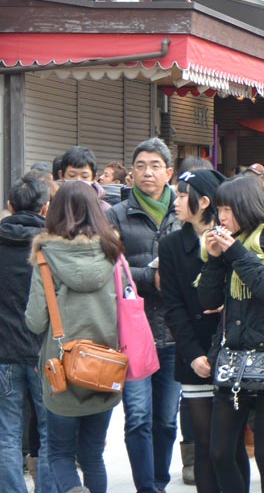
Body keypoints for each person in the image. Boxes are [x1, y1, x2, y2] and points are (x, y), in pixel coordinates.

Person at [196, 174, 264, 493]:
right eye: (219, 210)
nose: (222, 218)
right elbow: (209, 301)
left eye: (227, 209)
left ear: (247, 206)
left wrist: (237, 255)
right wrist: (215, 260)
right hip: (233, 353)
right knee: (221, 451)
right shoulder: (229, 242)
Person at [25, 181, 125, 493]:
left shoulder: (45, 258)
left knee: (59, 452)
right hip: (106, 367)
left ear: (53, 213)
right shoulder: (113, 255)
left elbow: (35, 320)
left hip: (61, 370)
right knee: (93, 455)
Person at [161, 169, 249, 493]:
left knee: (231, 445)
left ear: (204, 201)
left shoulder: (233, 238)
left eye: (182, 195)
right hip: (194, 353)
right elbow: (172, 307)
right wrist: (193, 354)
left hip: (234, 351)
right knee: (203, 442)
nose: (176, 200)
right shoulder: (171, 245)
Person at [106, 137, 182, 493]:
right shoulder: (115, 216)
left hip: (173, 331)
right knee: (137, 417)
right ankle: (146, 488)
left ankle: (160, 481)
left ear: (169, 173)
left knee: (166, 420)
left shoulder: (183, 214)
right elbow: (108, 269)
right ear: (131, 173)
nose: (147, 172)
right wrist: (148, 277)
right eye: (140, 166)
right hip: (132, 334)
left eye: (155, 166)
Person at [0, 175, 51, 493]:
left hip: (3, 353)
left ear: (9, 207)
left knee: (6, 431)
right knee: (49, 434)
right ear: (45, 209)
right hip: (43, 353)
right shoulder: (52, 247)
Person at [56, 146, 112, 212]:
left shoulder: (105, 210)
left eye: (84, 176)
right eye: (72, 175)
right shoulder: (51, 204)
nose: (78, 180)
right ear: (61, 175)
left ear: (94, 178)